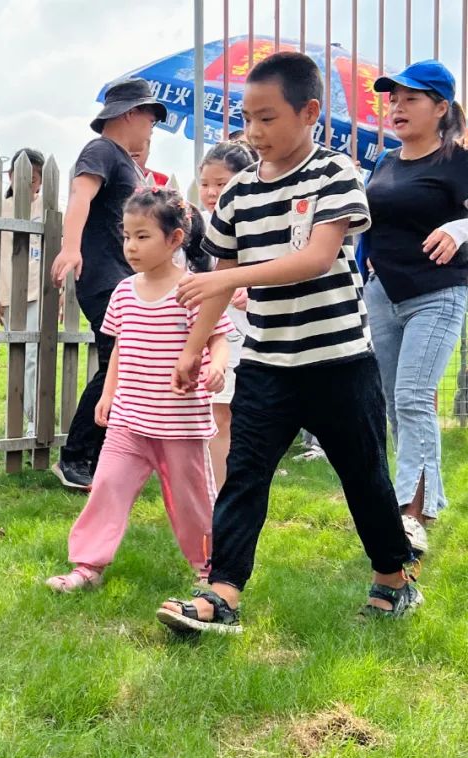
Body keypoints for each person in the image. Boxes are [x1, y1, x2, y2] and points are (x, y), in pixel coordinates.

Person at [156, 52, 420, 635]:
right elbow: (216, 290)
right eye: (247, 118)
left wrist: (224, 277)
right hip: (268, 366)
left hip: (339, 362)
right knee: (245, 474)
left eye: (267, 118)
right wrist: (192, 348)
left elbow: (316, 258)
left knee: (364, 474)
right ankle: (222, 591)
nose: (253, 133)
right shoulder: (238, 194)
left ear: (310, 113)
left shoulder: (336, 174)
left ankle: (394, 580)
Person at [45, 186, 231, 592]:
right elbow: (118, 349)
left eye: (142, 236)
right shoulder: (124, 292)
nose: (131, 246)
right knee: (106, 487)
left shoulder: (193, 289)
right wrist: (109, 395)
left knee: (193, 503)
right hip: (129, 420)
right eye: (127, 236)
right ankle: (87, 567)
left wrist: (216, 366)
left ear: (175, 239)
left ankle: (210, 568)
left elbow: (218, 338)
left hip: (180, 425)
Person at [361, 59, 468, 553]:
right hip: (382, 294)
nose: (397, 107)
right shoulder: (384, 162)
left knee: (413, 396)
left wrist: (459, 227)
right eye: (393, 98)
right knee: (394, 405)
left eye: (411, 98)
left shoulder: (458, 160)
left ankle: (410, 513)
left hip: (439, 292)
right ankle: (425, 504)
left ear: (440, 107)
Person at [49, 78, 167, 489]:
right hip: (103, 278)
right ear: (131, 113)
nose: (152, 126)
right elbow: (80, 196)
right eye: (150, 116)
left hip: (125, 280)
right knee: (119, 362)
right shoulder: (100, 150)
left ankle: (99, 456)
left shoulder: (127, 161)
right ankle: (75, 457)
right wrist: (70, 248)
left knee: (125, 364)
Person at [196, 141, 257, 489]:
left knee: (239, 413)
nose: (211, 191)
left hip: (249, 329)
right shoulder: (196, 225)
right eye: (205, 183)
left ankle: (231, 490)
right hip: (212, 331)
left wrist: (252, 287)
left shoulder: (256, 224)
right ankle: (217, 492)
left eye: (220, 183)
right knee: (217, 411)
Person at [0, 147, 44, 436]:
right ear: (11, 176)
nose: (30, 184)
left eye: (35, 179)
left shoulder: (47, 208)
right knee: (17, 355)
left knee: (33, 355)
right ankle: (17, 415)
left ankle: (32, 419)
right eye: (24, 177)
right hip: (7, 291)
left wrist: (61, 293)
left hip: (39, 291)